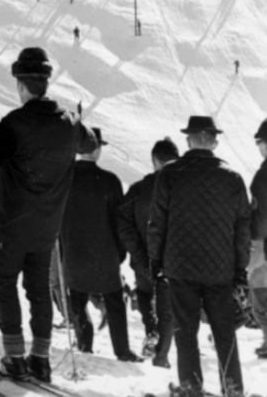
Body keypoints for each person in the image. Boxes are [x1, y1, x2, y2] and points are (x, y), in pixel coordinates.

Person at [0, 47, 97, 384]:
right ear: (46, 83)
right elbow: (90, 143)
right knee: (38, 290)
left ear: (21, 85)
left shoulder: (14, 123)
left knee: (4, 285)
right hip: (47, 227)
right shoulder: (69, 122)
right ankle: (41, 359)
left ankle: (14, 358)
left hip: (10, 223)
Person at [148, 116, 250, 397]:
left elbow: (157, 224)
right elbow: (243, 229)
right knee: (224, 333)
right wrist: (239, 270)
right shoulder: (232, 178)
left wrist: (156, 262)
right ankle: (233, 389)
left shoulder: (169, 174)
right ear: (214, 141)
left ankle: (191, 389)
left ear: (189, 140)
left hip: (180, 266)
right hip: (221, 270)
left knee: (185, 332)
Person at [59, 128, 140, 362]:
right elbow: (119, 220)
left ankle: (85, 345)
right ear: (97, 149)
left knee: (77, 300)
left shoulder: (64, 177)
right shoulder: (110, 180)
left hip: (73, 251)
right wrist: (120, 252)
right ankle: (122, 351)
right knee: (114, 303)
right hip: (105, 253)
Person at [117, 137, 179, 368]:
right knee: (168, 311)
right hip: (174, 263)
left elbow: (124, 225)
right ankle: (161, 358)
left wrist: (139, 255)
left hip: (143, 261)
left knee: (143, 293)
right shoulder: (183, 190)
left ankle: (151, 328)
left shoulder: (138, 190)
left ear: (154, 161)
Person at [250, 120, 267, 360]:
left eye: (260, 142)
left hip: (264, 245)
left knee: (261, 298)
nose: (259, 147)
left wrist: (256, 249)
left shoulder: (264, 176)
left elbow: (261, 216)